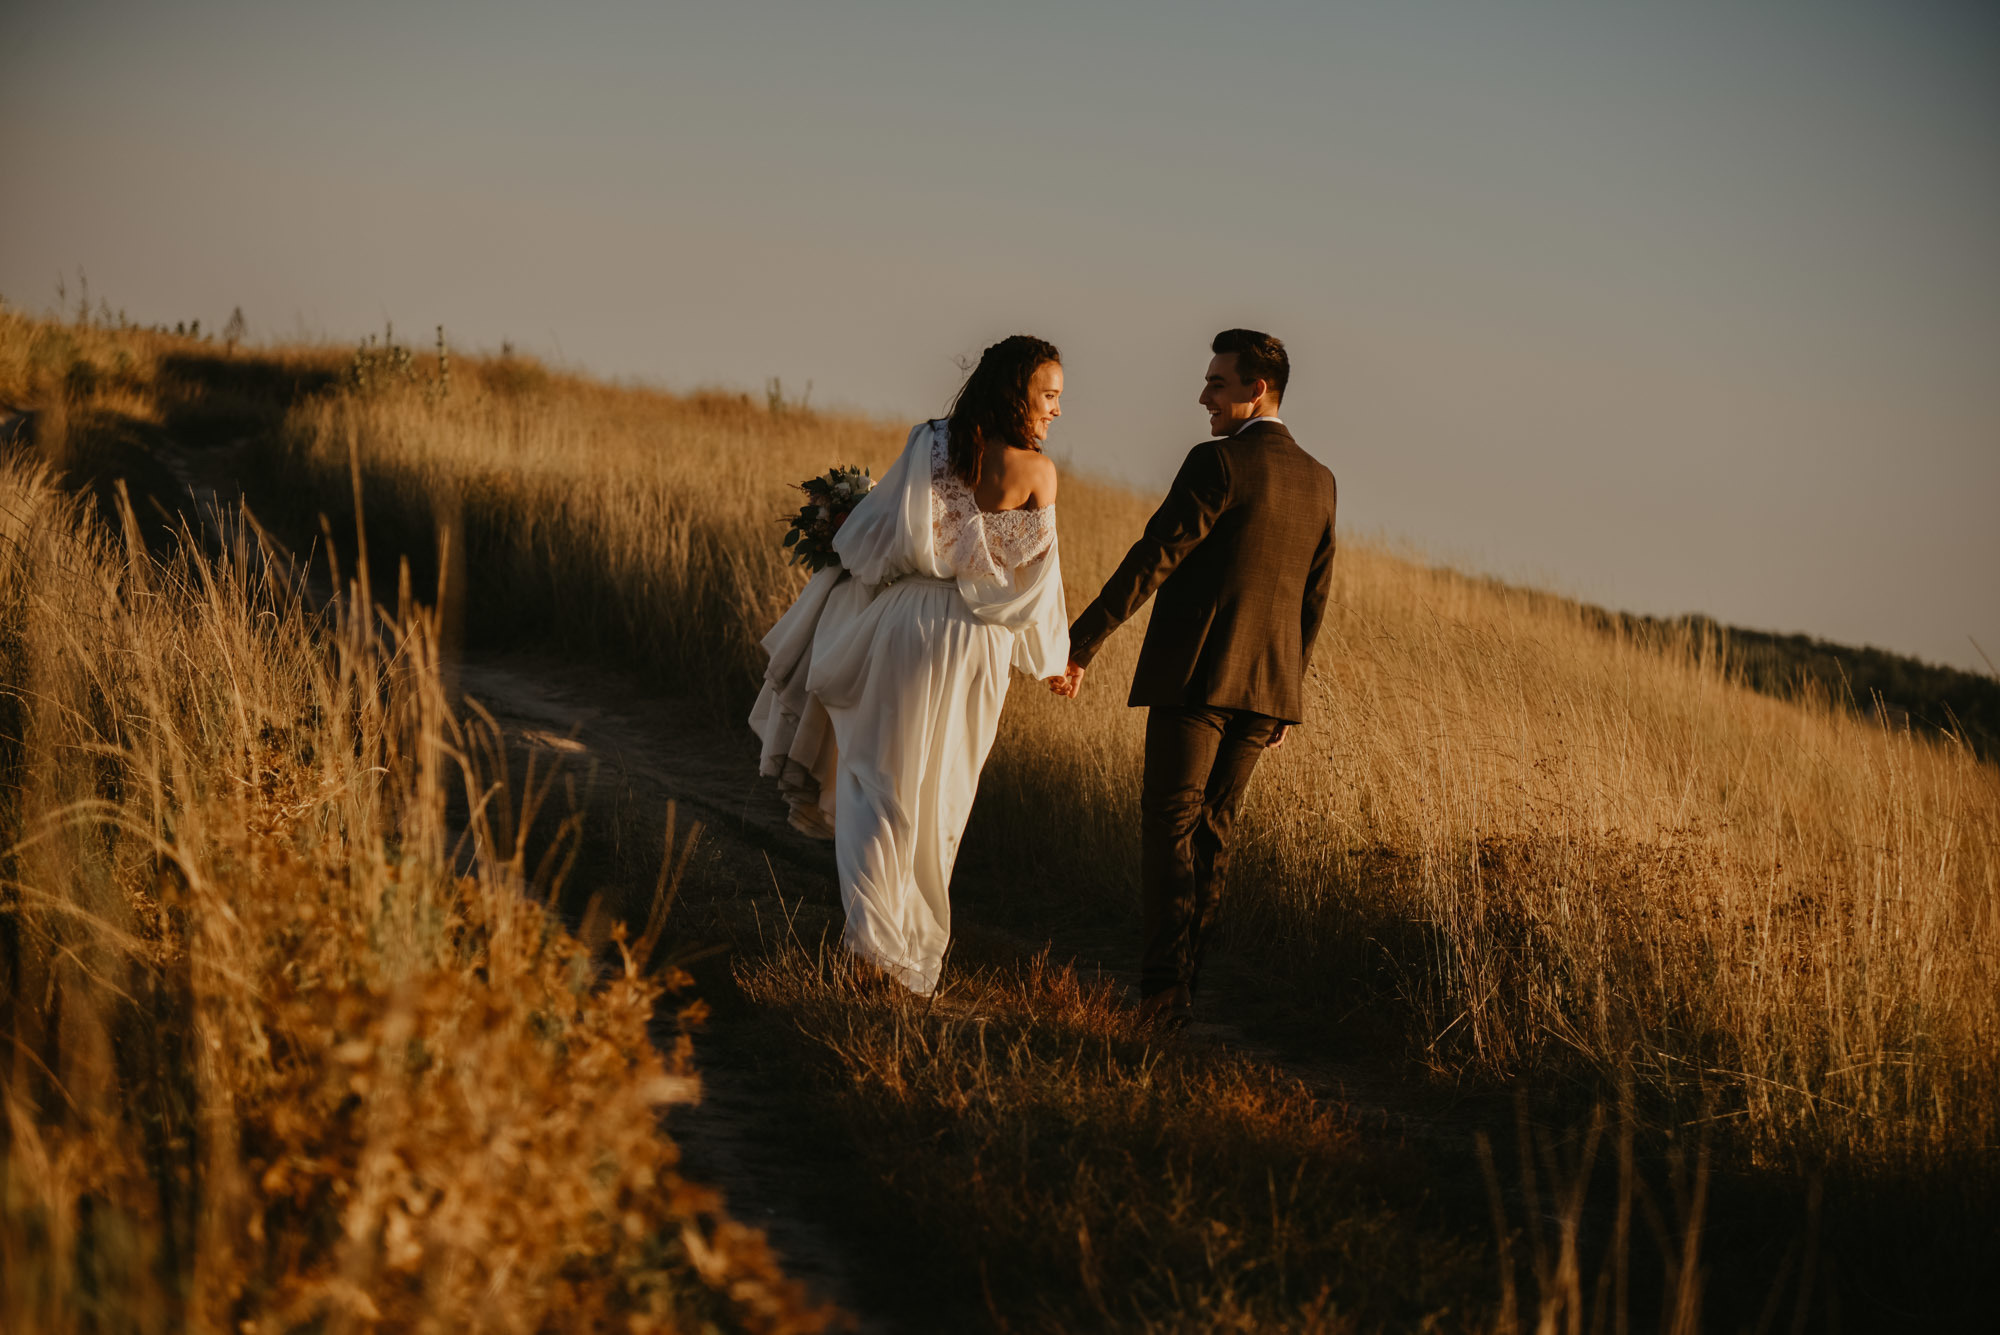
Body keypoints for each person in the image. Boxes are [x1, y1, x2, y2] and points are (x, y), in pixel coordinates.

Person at [751, 336, 1070, 993]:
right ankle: (908, 953)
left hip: (904, 623)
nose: (1056, 410)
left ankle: (871, 943)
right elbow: (1037, 587)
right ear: (1018, 392)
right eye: (1049, 395)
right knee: (942, 795)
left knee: (875, 782)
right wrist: (1051, 658)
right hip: (978, 643)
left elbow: (868, 542)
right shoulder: (1038, 475)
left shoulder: (929, 442)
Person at [1051, 329, 1336, 1031]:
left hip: (1197, 678)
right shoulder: (1320, 479)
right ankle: (1182, 991)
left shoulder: (1219, 462)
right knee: (1215, 832)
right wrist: (1284, 700)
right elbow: (1314, 599)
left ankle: (1159, 995)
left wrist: (1080, 644)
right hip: (1266, 691)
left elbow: (1155, 556)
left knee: (1172, 826)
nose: (1203, 395)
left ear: (1256, 389)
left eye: (1217, 382)